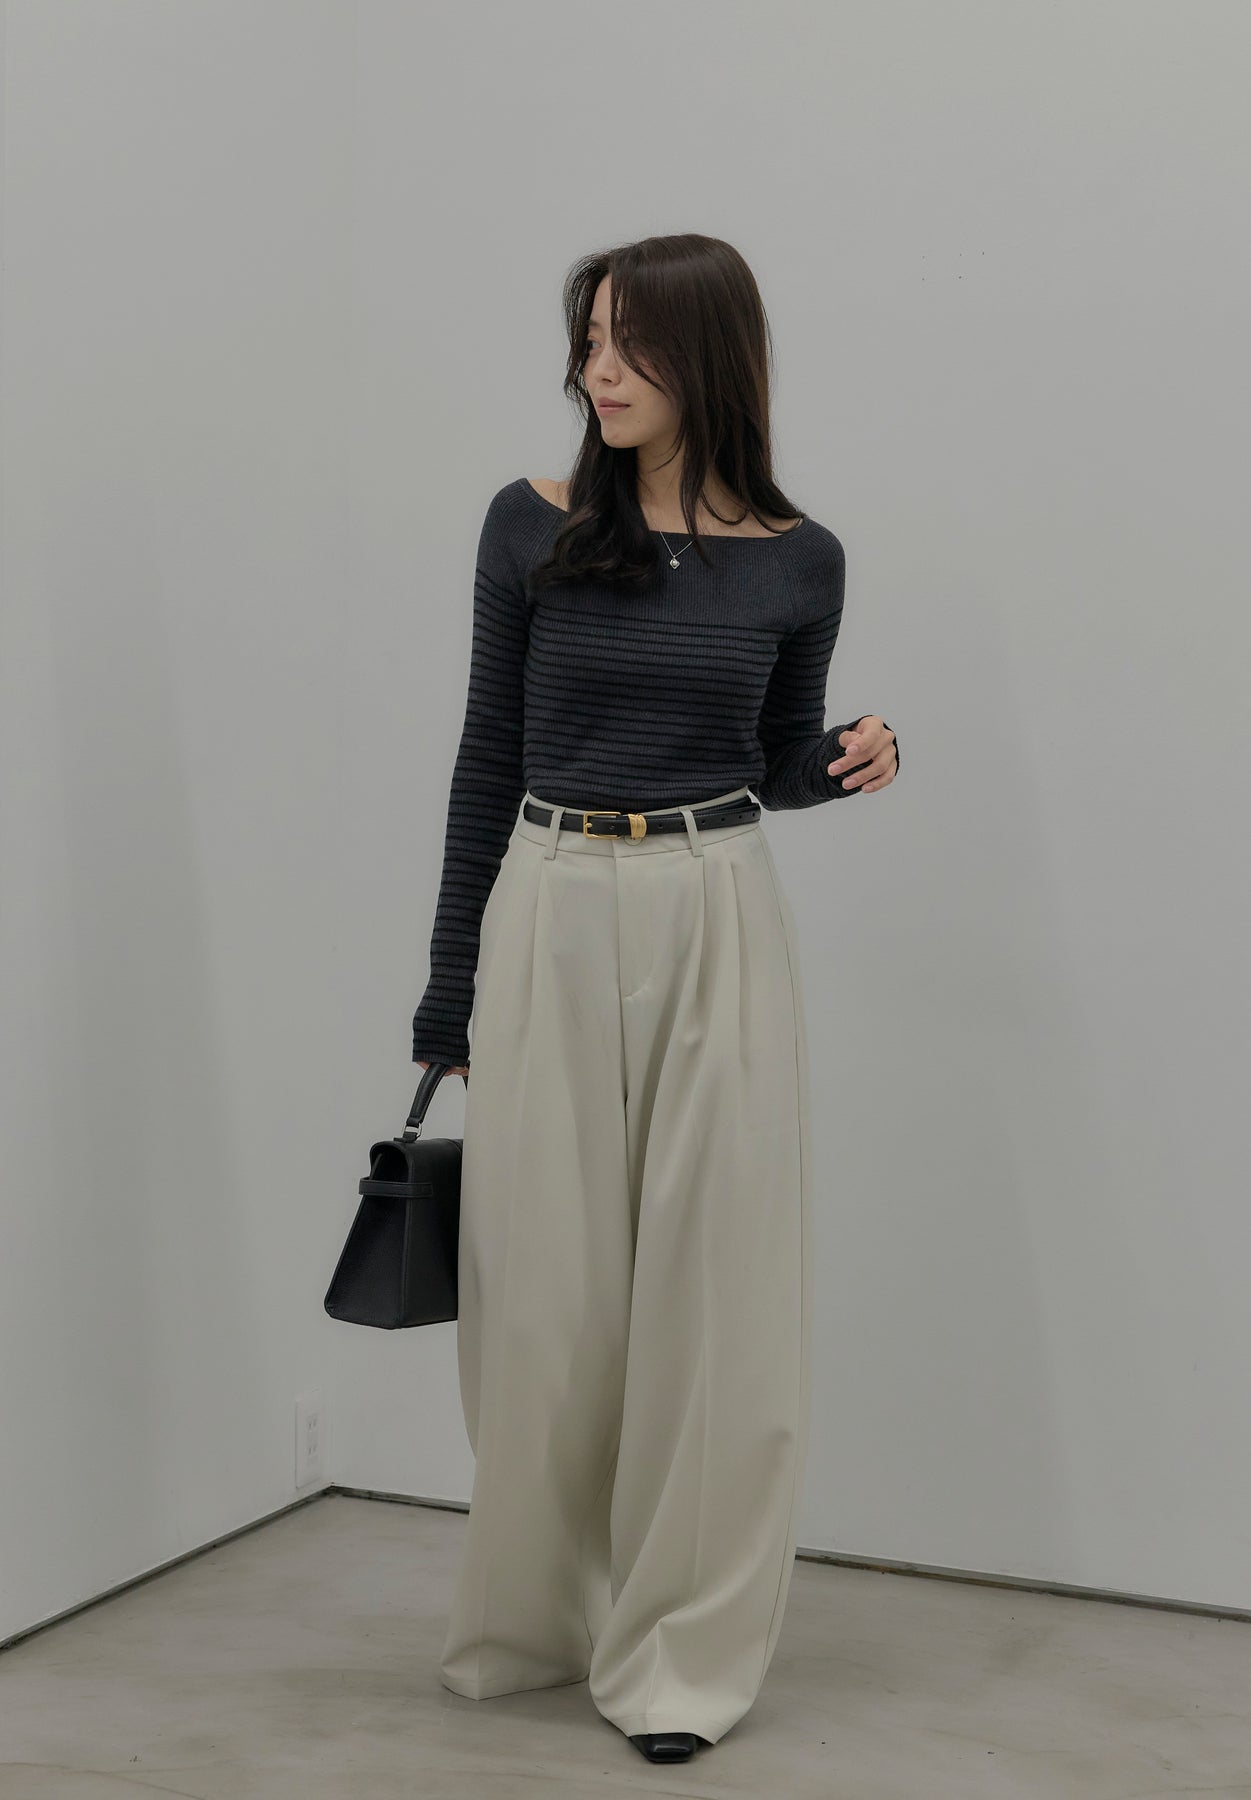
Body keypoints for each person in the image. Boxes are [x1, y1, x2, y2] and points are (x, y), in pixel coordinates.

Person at [412, 233, 897, 1765]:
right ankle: (538, 1619)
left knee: (715, 1297)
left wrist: (843, 763)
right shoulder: (531, 523)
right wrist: (447, 993)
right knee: (540, 1300)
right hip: (548, 897)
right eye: (588, 341)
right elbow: (488, 756)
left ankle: (681, 1659)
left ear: (709, 359)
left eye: (629, 345)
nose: (596, 371)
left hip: (715, 905)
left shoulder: (801, 558)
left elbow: (770, 761)